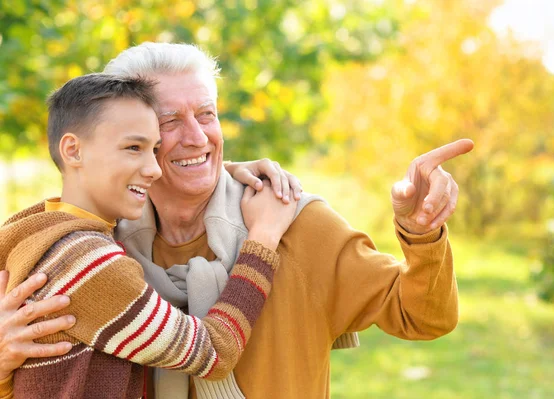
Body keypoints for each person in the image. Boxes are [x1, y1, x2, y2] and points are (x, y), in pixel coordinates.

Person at [0, 42, 474, 399]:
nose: (196, 136)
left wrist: (422, 233)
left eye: (207, 114)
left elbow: (424, 317)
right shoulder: (86, 246)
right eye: (168, 123)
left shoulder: (296, 222)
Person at [0, 73, 299, 398]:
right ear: (73, 151)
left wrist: (221, 169)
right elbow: (214, 353)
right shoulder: (92, 264)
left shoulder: (37, 234)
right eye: (133, 148)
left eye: (155, 149)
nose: (154, 168)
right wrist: (264, 237)